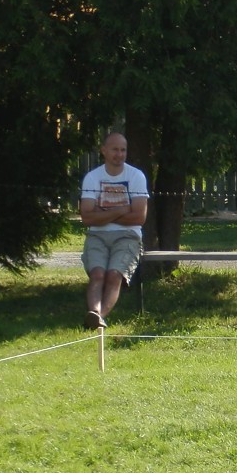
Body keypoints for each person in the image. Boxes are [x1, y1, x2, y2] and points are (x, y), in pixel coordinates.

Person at [79, 131, 149, 330]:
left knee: (114, 275)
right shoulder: (92, 177)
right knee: (97, 274)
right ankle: (94, 313)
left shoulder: (136, 176)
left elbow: (139, 218)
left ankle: (97, 317)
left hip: (128, 236)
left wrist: (103, 213)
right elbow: (87, 217)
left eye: (123, 150)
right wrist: (121, 210)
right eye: (115, 150)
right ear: (104, 151)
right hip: (97, 235)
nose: (119, 154)